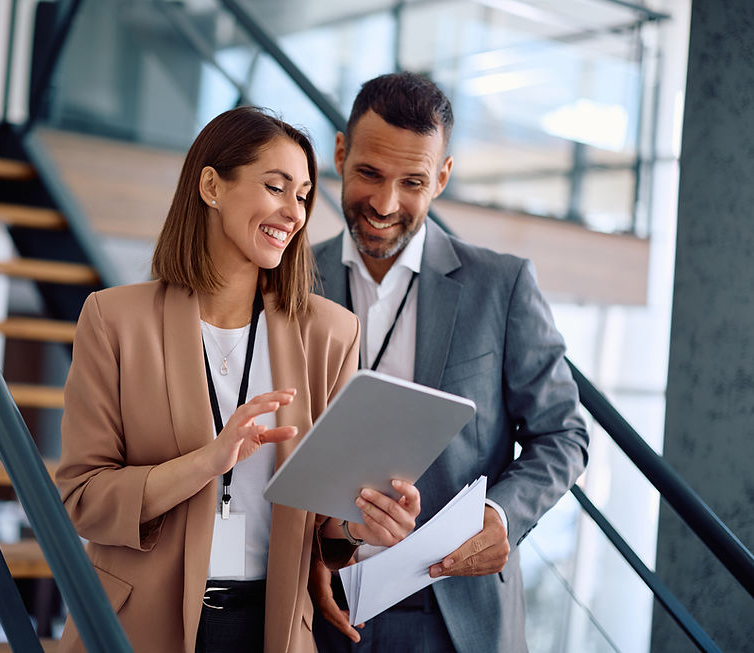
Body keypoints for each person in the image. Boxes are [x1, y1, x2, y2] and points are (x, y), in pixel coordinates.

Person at [55, 106, 421, 653]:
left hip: (269, 627)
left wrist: (361, 529)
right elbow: (81, 499)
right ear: (211, 185)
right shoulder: (114, 320)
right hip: (137, 625)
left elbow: (324, 522)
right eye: (276, 187)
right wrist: (210, 460)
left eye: (302, 195)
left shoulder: (331, 333)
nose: (293, 212)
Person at [309, 72, 590, 652]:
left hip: (454, 613)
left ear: (442, 177)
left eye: (412, 181)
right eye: (369, 174)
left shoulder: (502, 285)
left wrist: (502, 514)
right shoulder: (286, 282)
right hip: (318, 602)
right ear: (340, 154)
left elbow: (563, 433)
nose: (385, 204)